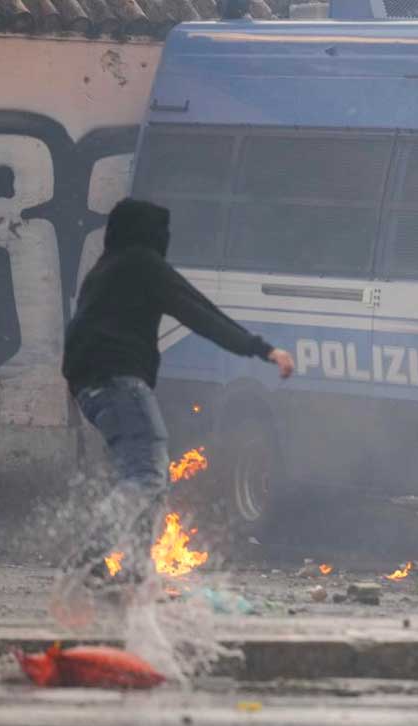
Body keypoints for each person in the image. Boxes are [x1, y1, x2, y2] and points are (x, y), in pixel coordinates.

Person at [56, 198, 294, 622]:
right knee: (147, 474)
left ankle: (132, 572)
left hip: (90, 387)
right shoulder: (142, 265)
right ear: (149, 235)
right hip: (119, 381)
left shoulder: (105, 269)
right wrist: (263, 349)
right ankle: (88, 558)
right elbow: (200, 312)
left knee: (144, 476)